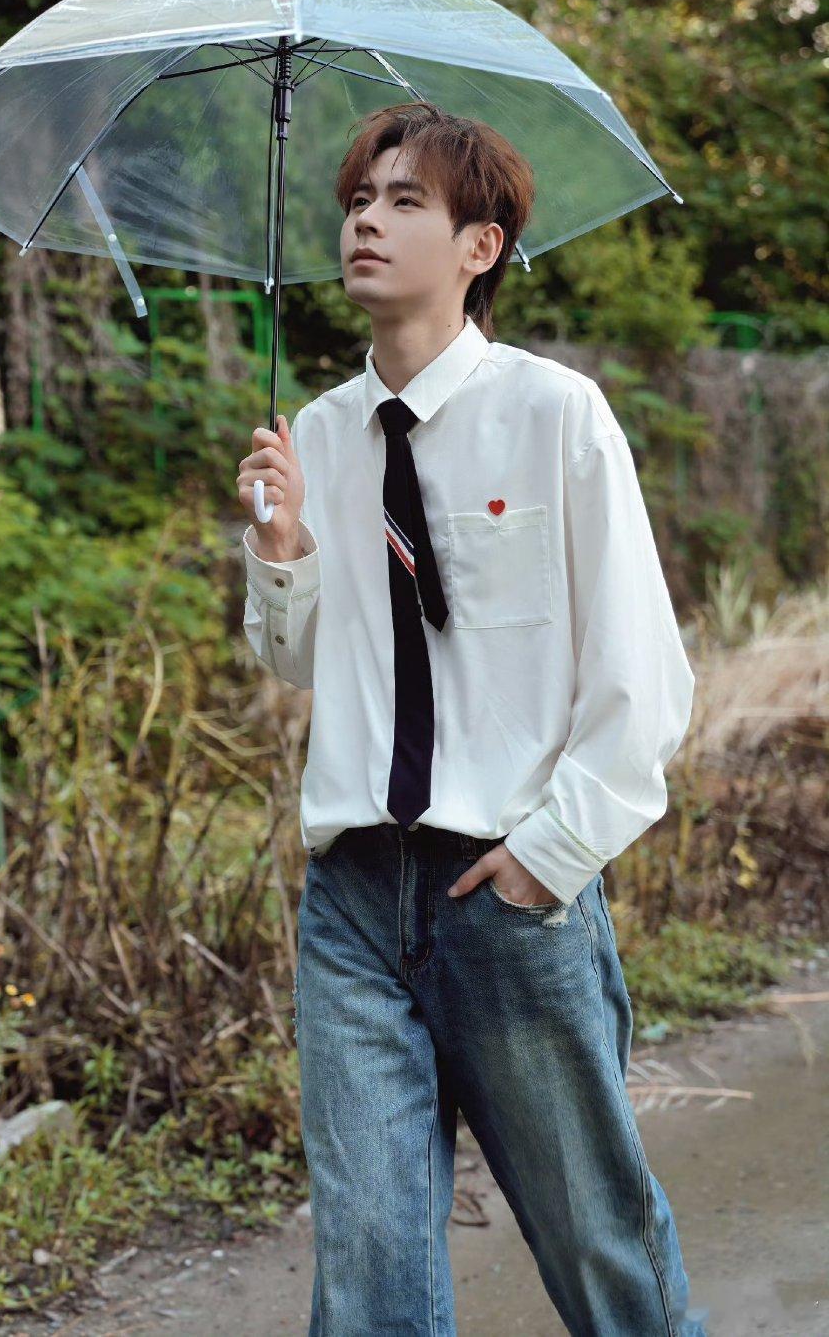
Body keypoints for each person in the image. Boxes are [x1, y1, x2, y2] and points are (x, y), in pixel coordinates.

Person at [236, 100, 706, 1337]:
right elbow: (298, 664)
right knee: (371, 1263)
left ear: (480, 246)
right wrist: (280, 551)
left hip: (504, 889)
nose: (367, 222)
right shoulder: (318, 435)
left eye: (405, 202)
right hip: (351, 900)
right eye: (358, 200)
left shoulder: (556, 415)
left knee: (600, 1247)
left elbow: (644, 675)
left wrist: (551, 856)